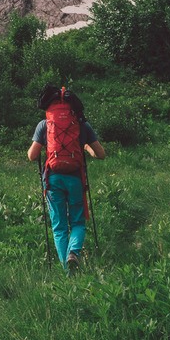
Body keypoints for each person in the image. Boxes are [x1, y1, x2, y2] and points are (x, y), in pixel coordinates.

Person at [27, 84, 104, 270]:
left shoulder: (44, 125)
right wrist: (85, 147)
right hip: (75, 178)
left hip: (53, 179)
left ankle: (67, 271)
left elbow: (32, 156)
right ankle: (74, 253)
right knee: (77, 221)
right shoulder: (82, 124)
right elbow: (100, 154)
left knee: (59, 226)